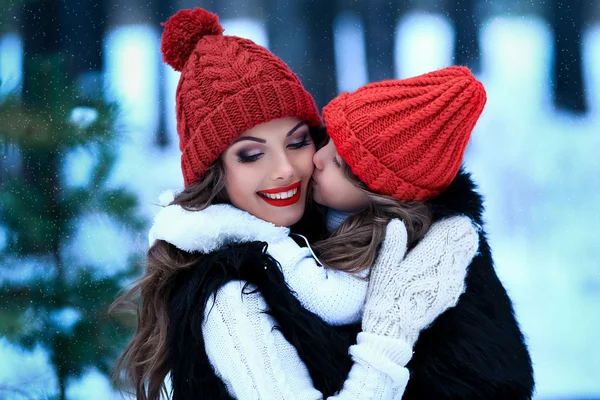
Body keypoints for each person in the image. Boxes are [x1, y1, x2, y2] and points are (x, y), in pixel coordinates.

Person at [112, 7, 479, 400]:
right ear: (213, 174)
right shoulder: (233, 299)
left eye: (298, 141)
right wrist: (388, 337)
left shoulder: (318, 232)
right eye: (252, 155)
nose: (285, 169)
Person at [310, 67, 535, 399]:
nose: (316, 158)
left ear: (381, 194)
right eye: (327, 140)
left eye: (339, 165)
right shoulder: (317, 210)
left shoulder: (423, 254)